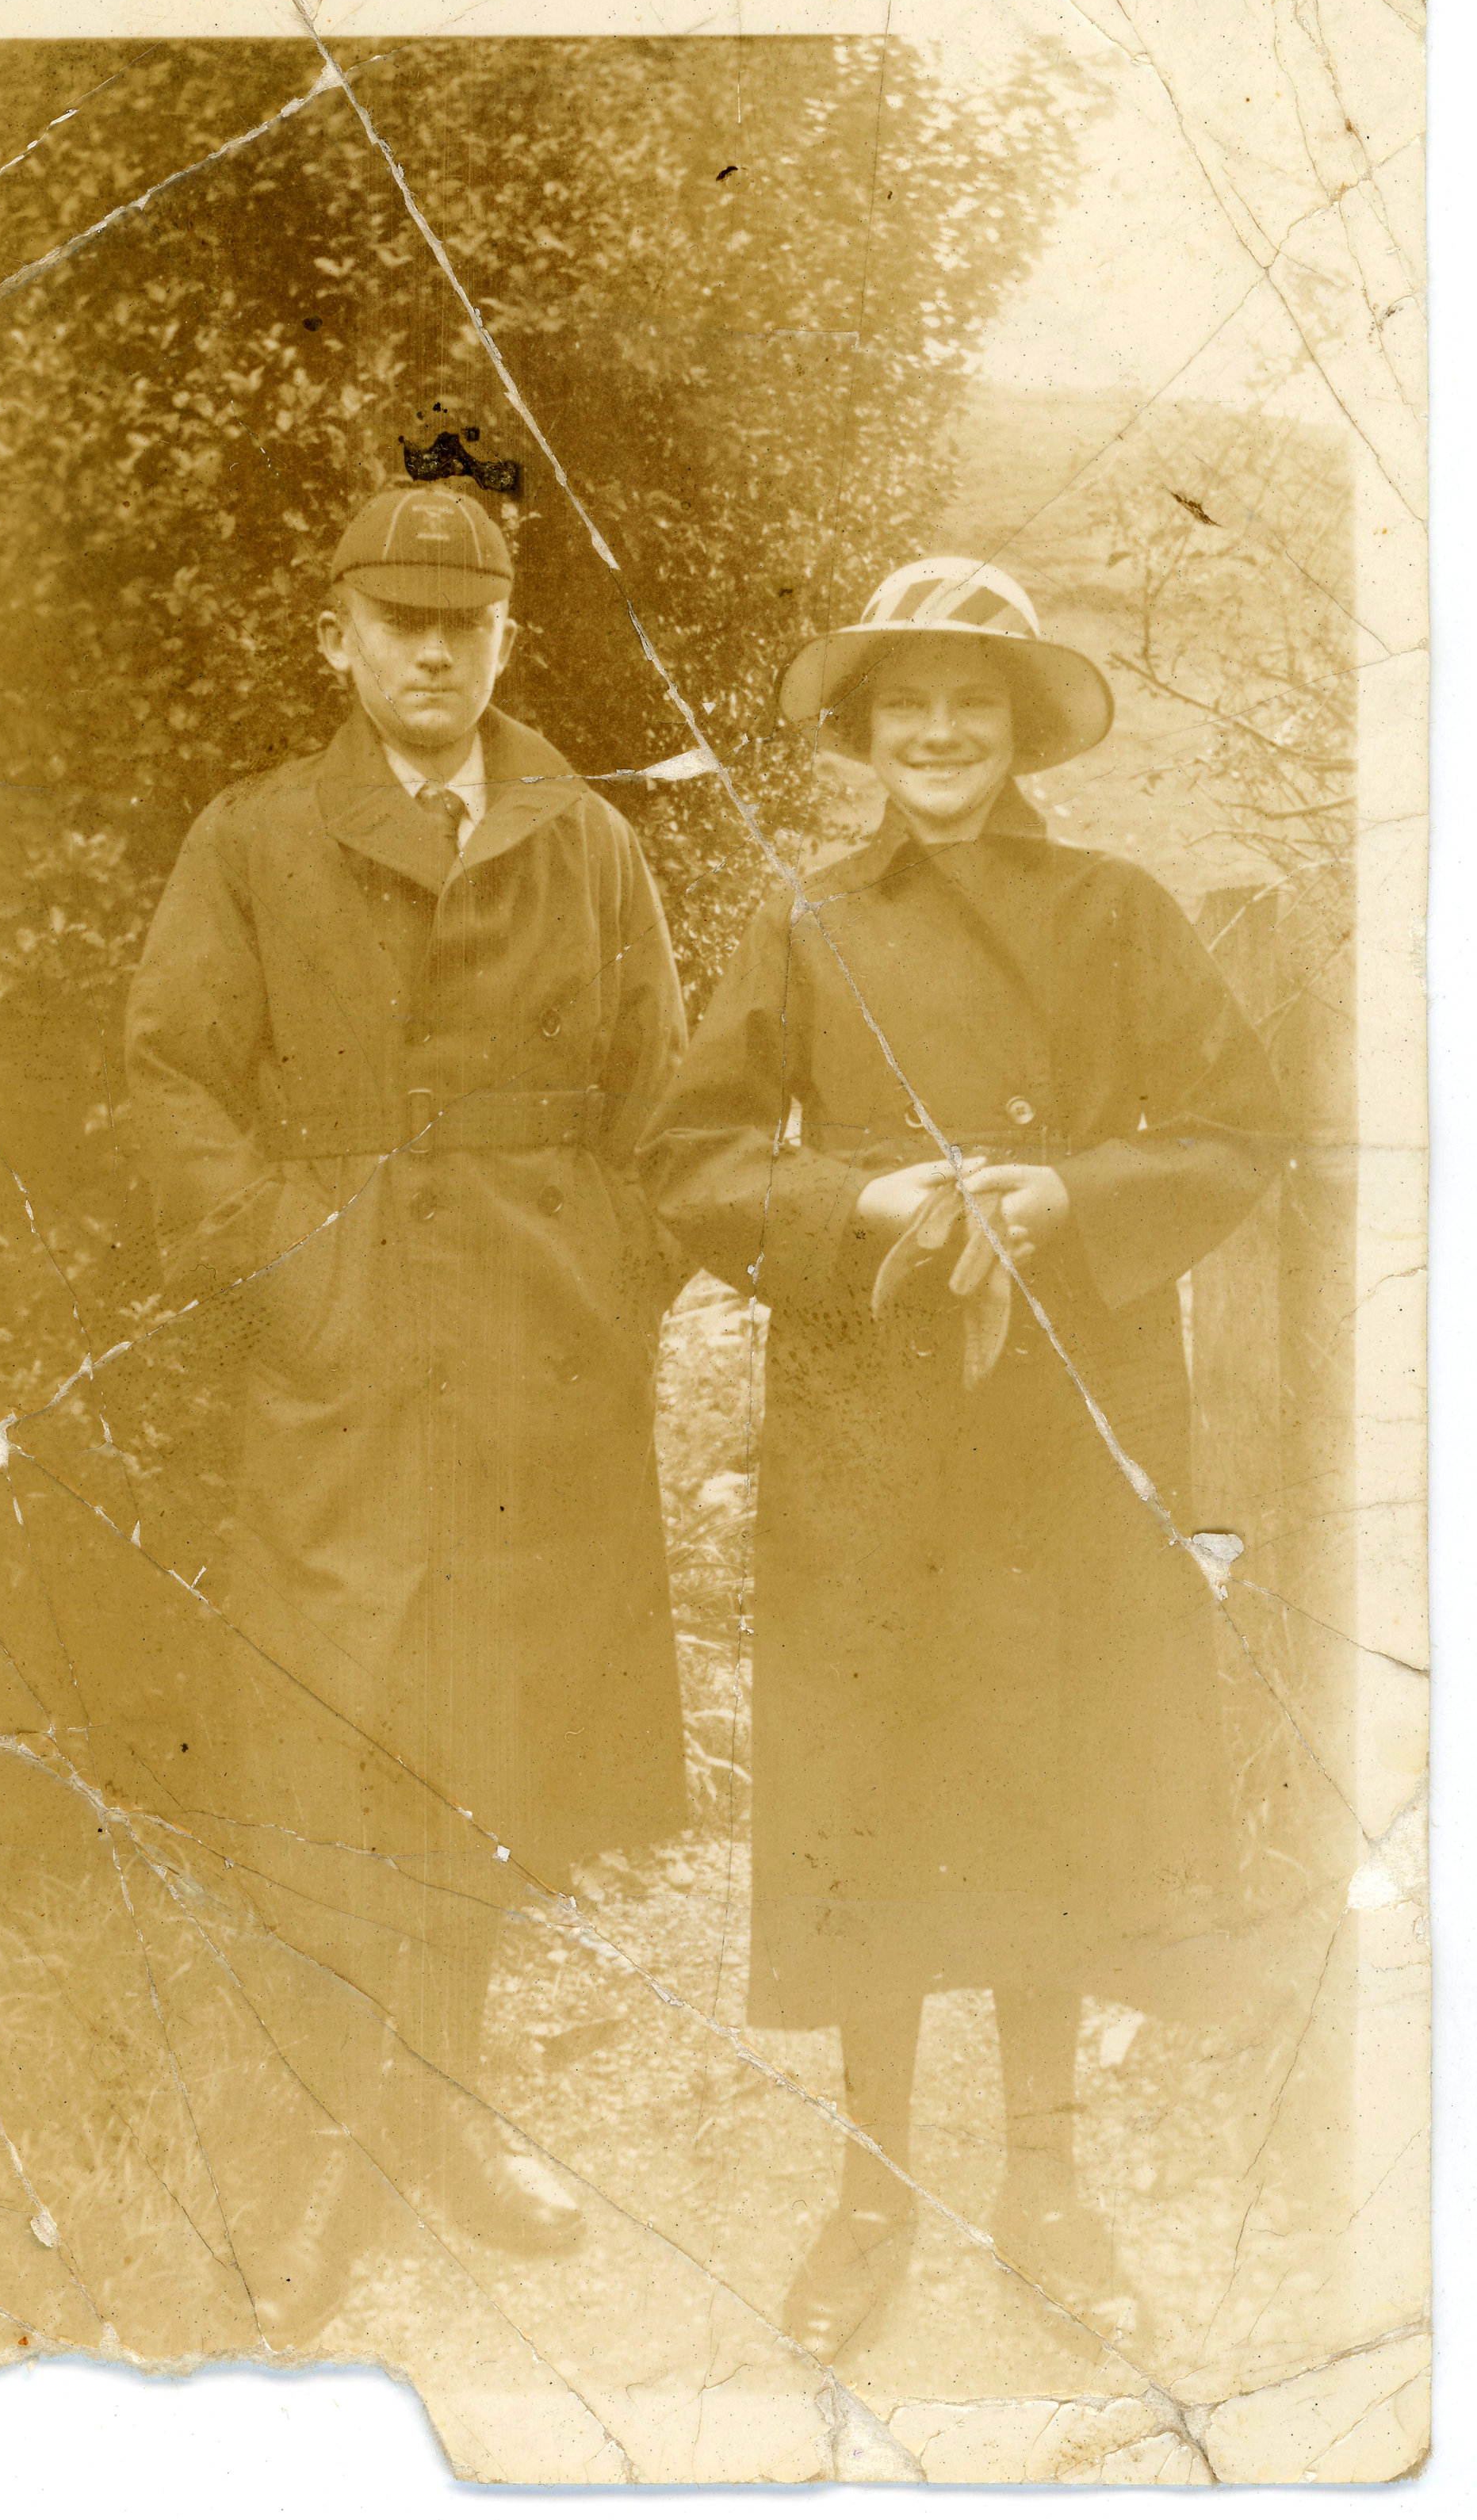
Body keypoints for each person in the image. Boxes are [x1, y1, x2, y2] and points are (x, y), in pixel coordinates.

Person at [638, 553, 1288, 2358]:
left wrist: (1066, 1188)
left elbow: (1239, 1133)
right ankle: (868, 2191)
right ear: (860, 730)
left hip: (1068, 1406)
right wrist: (862, 1200)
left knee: (1049, 1764)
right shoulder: (807, 919)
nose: (939, 733)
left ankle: (1045, 2182)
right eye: (907, 704)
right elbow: (691, 1159)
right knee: (877, 1768)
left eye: (973, 704)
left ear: (1018, 730)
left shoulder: (1117, 912)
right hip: (872, 1413)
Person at [124, 484, 689, 2311]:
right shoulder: (253, 837)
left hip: (534, 1358)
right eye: (398, 619)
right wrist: (297, 1274)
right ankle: (332, 2143)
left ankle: (443, 2110)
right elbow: (172, 1084)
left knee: (493, 1730)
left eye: (465, 620)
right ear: (339, 639)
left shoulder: (587, 840)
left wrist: (597, 1277)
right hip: (348, 1358)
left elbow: (662, 1114)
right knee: (331, 1717)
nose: (433, 648)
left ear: (506, 637)